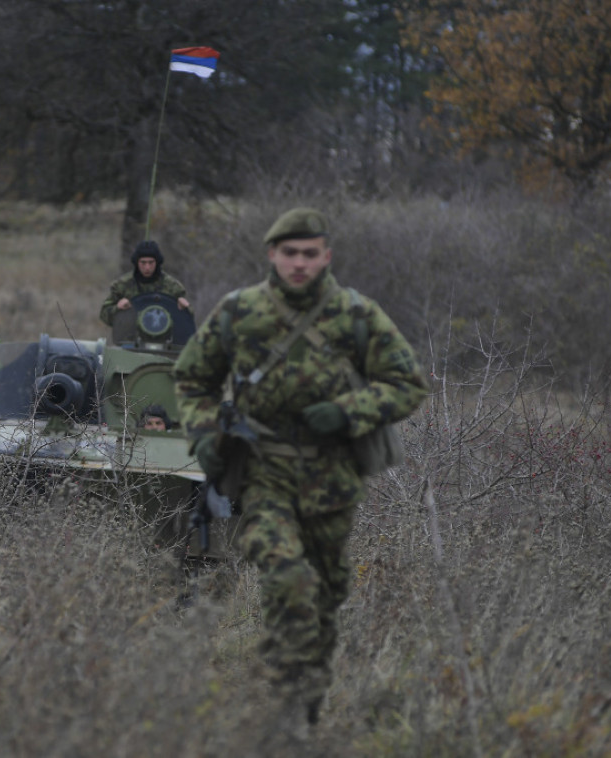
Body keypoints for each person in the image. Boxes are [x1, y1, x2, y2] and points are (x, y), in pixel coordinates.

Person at [172, 207, 427, 737]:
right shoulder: (240, 311)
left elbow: (407, 384)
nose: (299, 263)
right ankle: (284, 712)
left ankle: (306, 705)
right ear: (272, 254)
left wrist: (348, 412)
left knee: (324, 598)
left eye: (310, 253)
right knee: (287, 579)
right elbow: (193, 377)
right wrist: (204, 437)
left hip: (333, 478)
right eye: (290, 253)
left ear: (326, 256)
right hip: (263, 473)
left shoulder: (355, 314)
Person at [99, 240, 190, 327]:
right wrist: (117, 309)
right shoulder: (122, 286)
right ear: (137, 263)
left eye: (151, 263)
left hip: (165, 335)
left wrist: (184, 308)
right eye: (143, 263)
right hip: (130, 334)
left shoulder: (172, 287)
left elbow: (188, 320)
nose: (147, 267)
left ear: (157, 262)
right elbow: (104, 315)